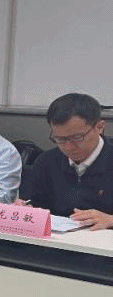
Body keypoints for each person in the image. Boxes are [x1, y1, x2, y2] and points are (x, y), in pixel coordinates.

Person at [20, 92, 113, 228]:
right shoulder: (46, 161)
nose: (68, 147)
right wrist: (25, 208)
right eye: (60, 139)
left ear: (99, 127)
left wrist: (110, 220)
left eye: (77, 138)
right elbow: (38, 203)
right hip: (57, 238)